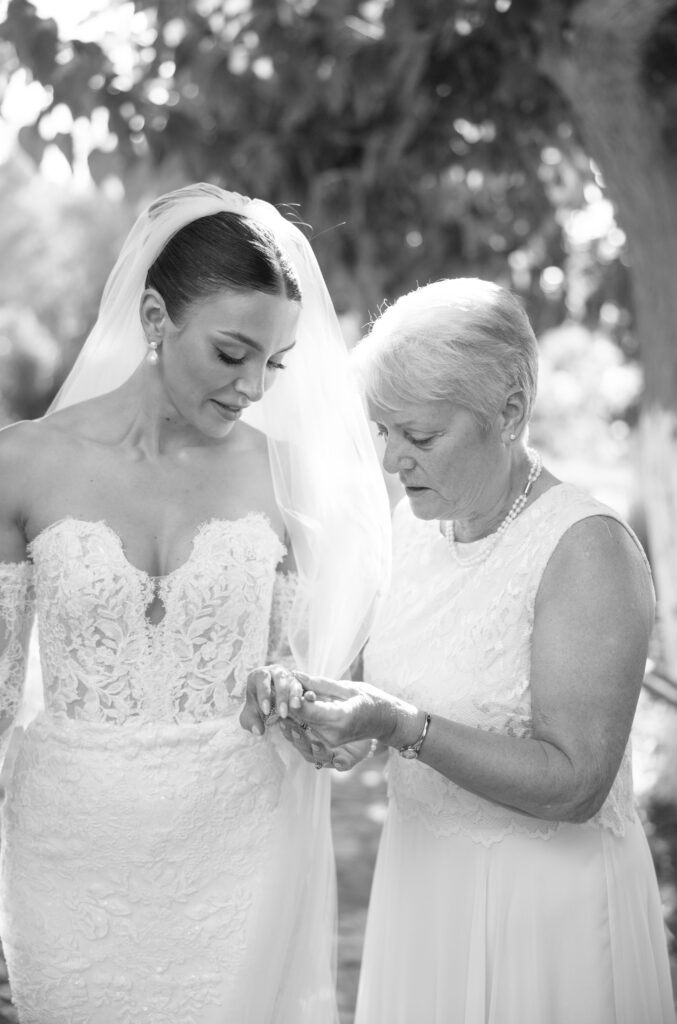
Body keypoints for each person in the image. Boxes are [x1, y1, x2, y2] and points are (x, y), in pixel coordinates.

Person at [0, 183, 390, 1023]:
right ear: (153, 316)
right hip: (65, 862)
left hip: (237, 855)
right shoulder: (23, 465)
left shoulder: (289, 481)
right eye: (230, 352)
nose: (253, 384)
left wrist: (300, 702)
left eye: (273, 363)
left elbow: (324, 701)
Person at [243, 278, 677, 1024]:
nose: (391, 460)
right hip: (422, 888)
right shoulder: (416, 527)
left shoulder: (585, 550)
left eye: (418, 436)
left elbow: (574, 782)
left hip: (541, 913)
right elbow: (408, 697)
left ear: (507, 412)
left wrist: (397, 727)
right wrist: (333, 716)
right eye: (383, 431)